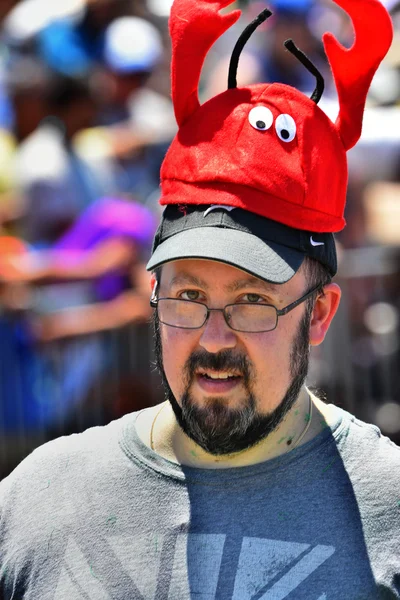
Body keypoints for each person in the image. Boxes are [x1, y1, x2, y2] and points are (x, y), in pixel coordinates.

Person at [0, 0, 398, 598]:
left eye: (251, 301)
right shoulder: (35, 504)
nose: (213, 339)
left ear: (318, 315)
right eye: (187, 295)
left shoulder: (390, 513)